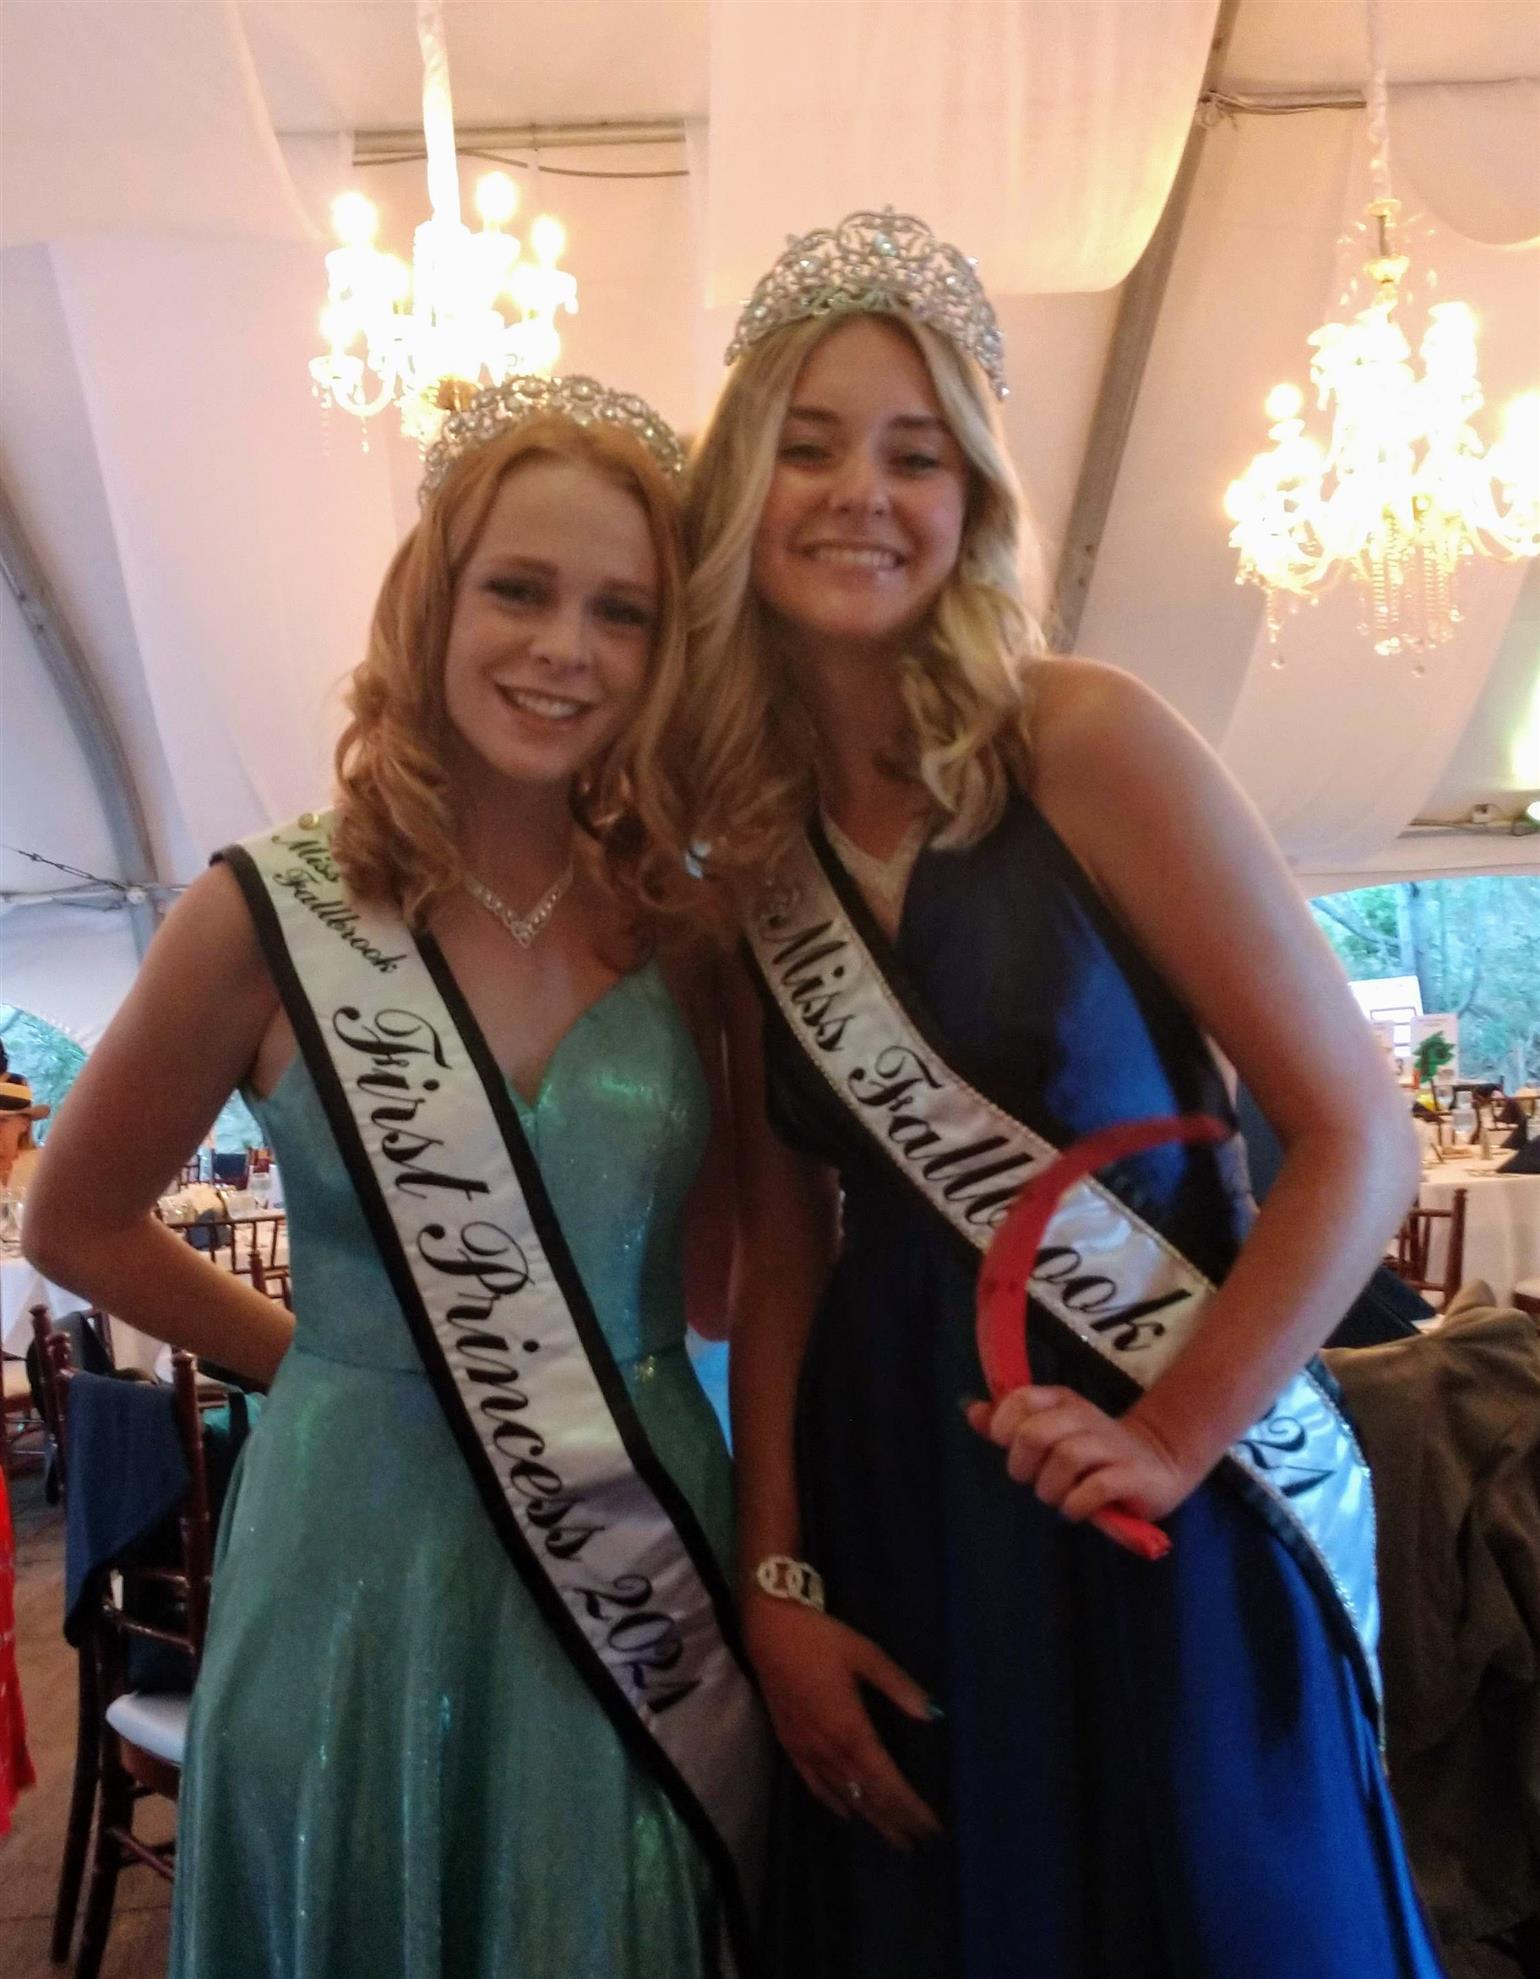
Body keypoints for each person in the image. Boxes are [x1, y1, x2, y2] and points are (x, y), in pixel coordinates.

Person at [680, 211, 1445, 1975]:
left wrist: (1173, 1437)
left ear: (971, 497)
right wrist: (779, 1581)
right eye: (808, 445)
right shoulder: (746, 857)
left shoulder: (1084, 741)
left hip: (1163, 1459)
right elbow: (784, 1253)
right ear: (739, 491)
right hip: (898, 1483)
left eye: (915, 453)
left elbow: (1359, 1134)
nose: (860, 494)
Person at [24, 375, 766, 1977]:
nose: (564, 648)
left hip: (634, 1536)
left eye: (621, 612)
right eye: (519, 588)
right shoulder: (267, 910)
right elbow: (73, 1217)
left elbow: (718, 1287)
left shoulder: (694, 929)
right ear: (433, 600)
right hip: (353, 1541)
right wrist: (336, 1364)